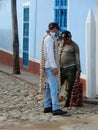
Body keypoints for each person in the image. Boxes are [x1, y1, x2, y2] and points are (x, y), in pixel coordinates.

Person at [40, 22, 68, 115]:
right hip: (49, 66)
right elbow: (50, 54)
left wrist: (57, 39)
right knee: (54, 87)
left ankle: (47, 106)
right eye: (57, 29)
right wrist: (54, 67)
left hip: (47, 66)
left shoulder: (48, 37)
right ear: (55, 28)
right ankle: (55, 108)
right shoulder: (49, 39)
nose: (57, 31)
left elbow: (52, 47)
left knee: (48, 87)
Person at [59, 30, 81, 107]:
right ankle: (55, 100)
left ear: (70, 37)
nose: (65, 40)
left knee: (70, 85)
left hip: (71, 68)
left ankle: (68, 102)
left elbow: (77, 58)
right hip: (62, 68)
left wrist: (78, 70)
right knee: (59, 84)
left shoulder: (74, 46)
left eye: (66, 39)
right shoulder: (61, 44)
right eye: (64, 39)